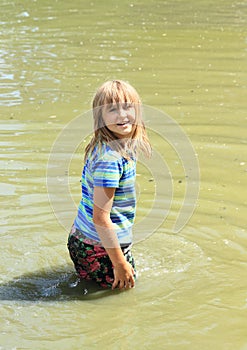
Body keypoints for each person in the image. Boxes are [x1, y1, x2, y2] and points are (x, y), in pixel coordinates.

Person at [67, 80, 152, 290]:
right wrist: (119, 263)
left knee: (94, 290)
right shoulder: (111, 159)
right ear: (100, 118)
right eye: (112, 110)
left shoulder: (106, 145)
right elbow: (101, 217)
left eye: (127, 107)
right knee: (123, 294)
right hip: (98, 247)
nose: (122, 115)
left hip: (84, 239)